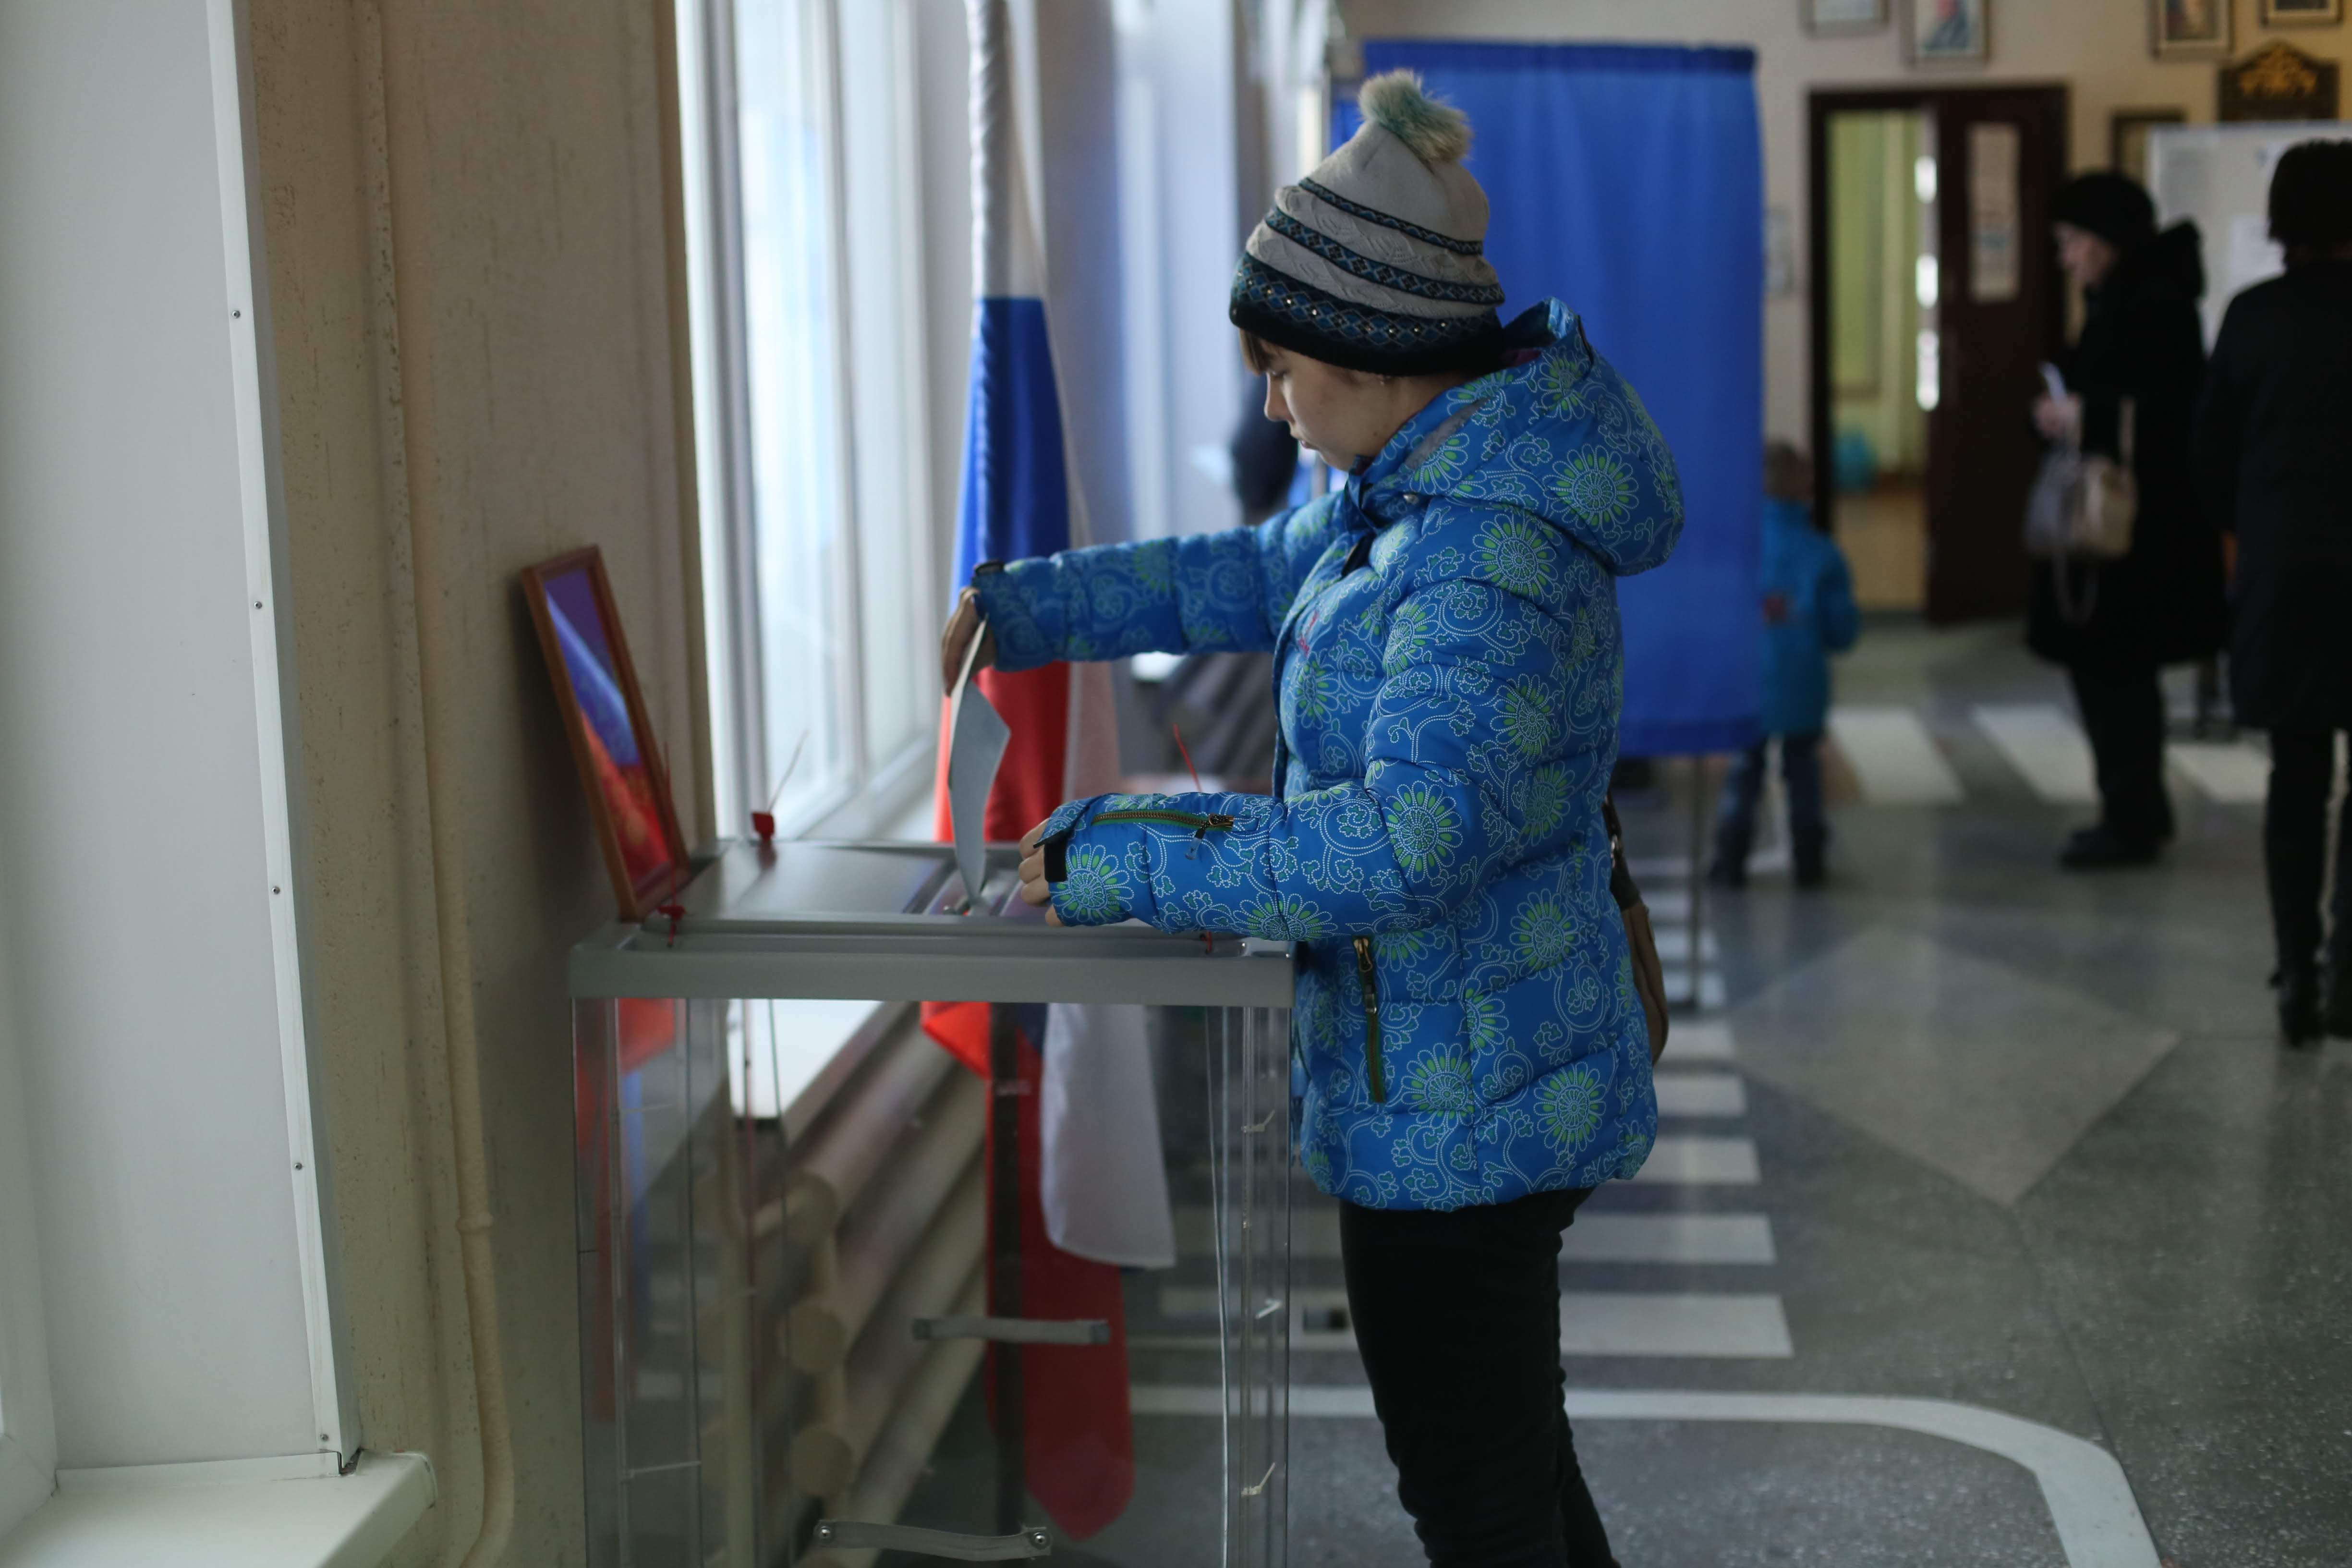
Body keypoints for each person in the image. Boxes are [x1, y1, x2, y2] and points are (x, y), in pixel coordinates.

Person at [939, 72, 1679, 1568]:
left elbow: (1407, 841)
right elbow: (1243, 572)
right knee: (1510, 1468)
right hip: (1460, 1069)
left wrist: (1126, 853)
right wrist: (1026, 606)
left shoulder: (1482, 558)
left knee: (1478, 1498)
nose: (1272, 402)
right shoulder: (1404, 492)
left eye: (1283, 370)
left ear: (1376, 353)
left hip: (1465, 1104)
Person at [2192, 139, 2352, 1045]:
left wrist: (2253, 530)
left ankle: (2295, 968)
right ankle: (2348, 972)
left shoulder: (2251, 317)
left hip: (2282, 574)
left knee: (2296, 775)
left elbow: (2207, 459)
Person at [2027, 172, 2226, 869]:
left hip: (2133, 532)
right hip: (2131, 526)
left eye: (2071, 243)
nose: (2065, 258)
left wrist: (2084, 414)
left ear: (2105, 242)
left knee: (2115, 677)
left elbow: (2167, 413)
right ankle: (2136, 809)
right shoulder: (2129, 300)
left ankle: (2129, 817)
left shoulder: (2153, 308)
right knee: (2119, 678)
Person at [1709, 443, 1859, 889]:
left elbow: (1716, 622)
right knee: (1804, 771)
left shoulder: (1735, 552)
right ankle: (1809, 861)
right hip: (1802, 687)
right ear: (1806, 489)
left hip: (1746, 686)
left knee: (1744, 770)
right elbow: (1842, 632)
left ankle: (1731, 858)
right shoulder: (1823, 554)